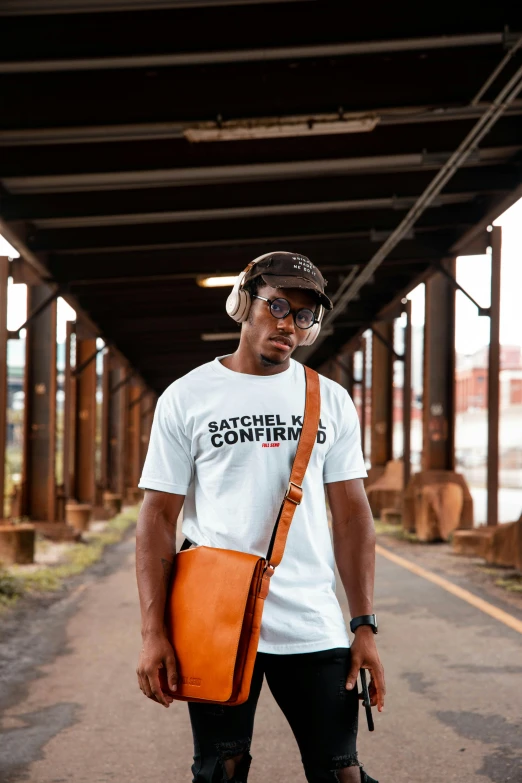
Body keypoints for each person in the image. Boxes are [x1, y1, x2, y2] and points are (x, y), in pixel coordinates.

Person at [136, 251, 385, 783]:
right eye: (276, 306)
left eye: (303, 315)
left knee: (342, 773)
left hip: (311, 623)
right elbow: (157, 517)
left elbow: (352, 518)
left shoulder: (331, 400)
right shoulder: (187, 397)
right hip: (216, 620)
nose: (288, 324)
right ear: (242, 304)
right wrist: (153, 633)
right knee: (220, 770)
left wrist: (363, 626)